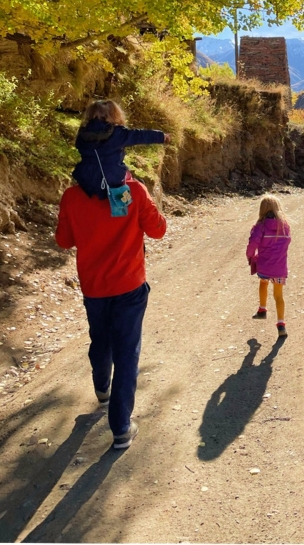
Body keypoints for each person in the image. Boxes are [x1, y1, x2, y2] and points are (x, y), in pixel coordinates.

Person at [55, 175, 167, 449]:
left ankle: (102, 389)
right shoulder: (134, 190)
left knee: (101, 338)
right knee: (127, 352)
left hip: (94, 287)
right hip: (130, 285)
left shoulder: (72, 195)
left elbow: (63, 240)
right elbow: (158, 230)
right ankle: (121, 428)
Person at [73, 99, 170, 199]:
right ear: (114, 115)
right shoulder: (117, 133)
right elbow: (140, 135)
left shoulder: (82, 134)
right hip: (112, 178)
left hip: (85, 175)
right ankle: (123, 207)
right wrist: (162, 136)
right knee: (128, 189)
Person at [246, 194, 291, 338]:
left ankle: (262, 310)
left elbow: (253, 244)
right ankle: (281, 325)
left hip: (265, 266)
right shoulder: (285, 226)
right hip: (280, 267)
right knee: (279, 296)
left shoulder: (260, 226)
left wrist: (251, 256)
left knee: (263, 283)